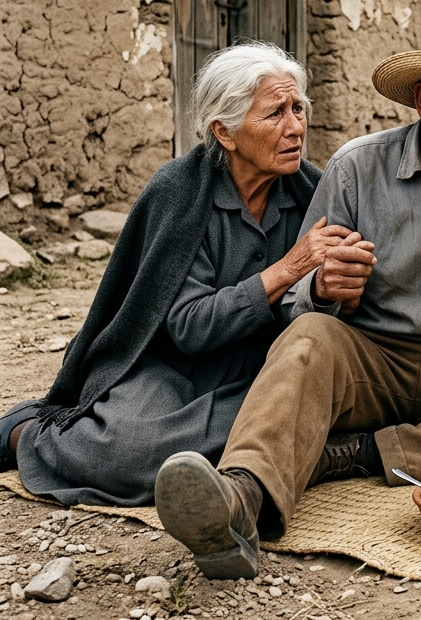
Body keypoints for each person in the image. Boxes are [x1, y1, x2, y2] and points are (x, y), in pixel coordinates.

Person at [153, 12, 421, 579]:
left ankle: (357, 454)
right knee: (310, 338)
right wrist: (325, 289)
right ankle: (240, 501)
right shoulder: (358, 168)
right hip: (371, 361)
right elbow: (295, 308)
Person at [0, 42, 336, 506]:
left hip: (262, 364)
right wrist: (289, 269)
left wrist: (328, 287)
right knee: (126, 452)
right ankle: (23, 432)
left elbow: (318, 308)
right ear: (226, 132)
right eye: (275, 113)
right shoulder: (178, 194)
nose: (296, 127)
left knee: (310, 418)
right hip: (171, 364)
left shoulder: (312, 192)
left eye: (298, 108)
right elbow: (189, 328)